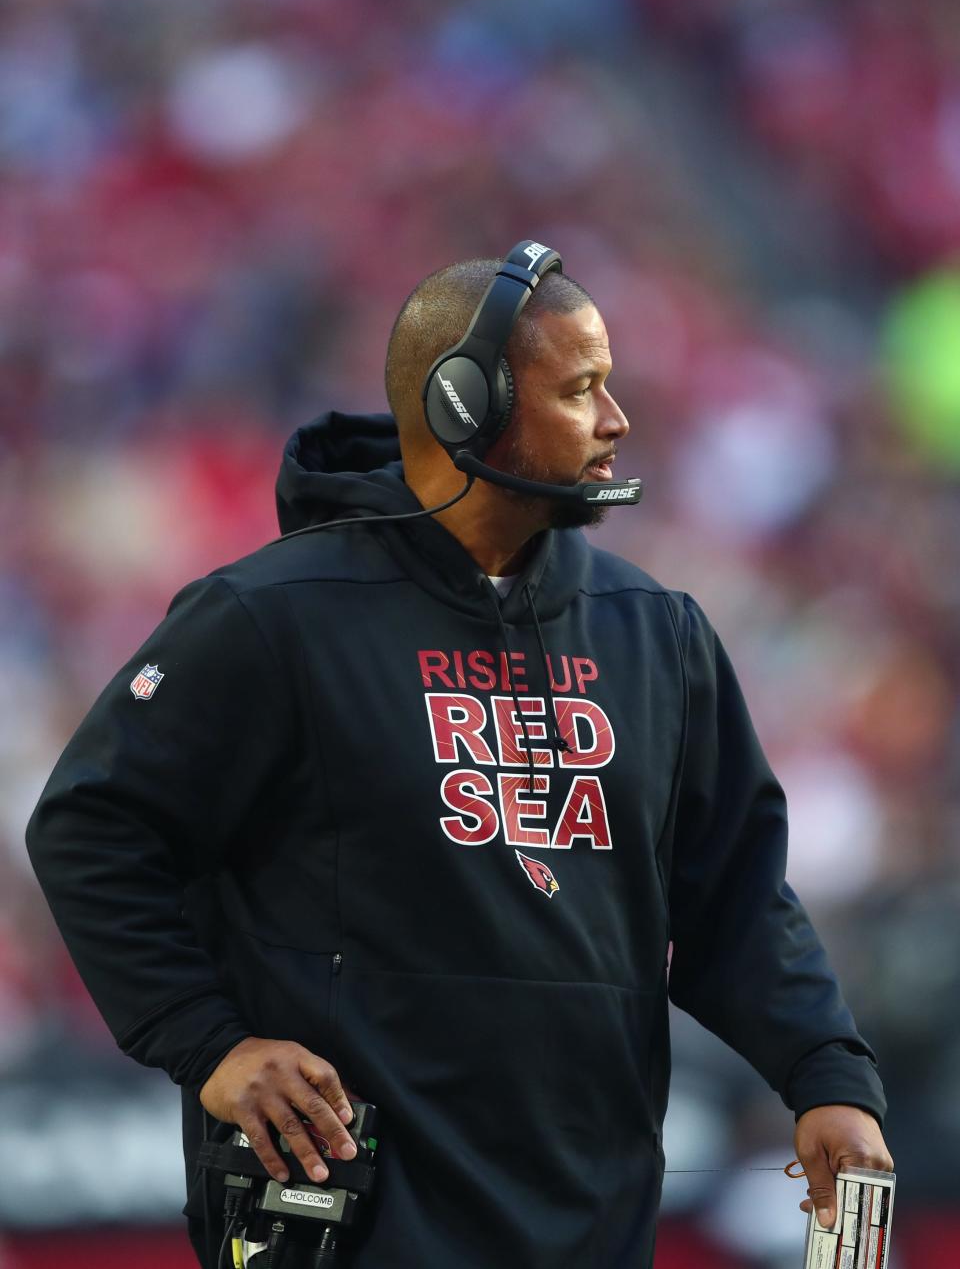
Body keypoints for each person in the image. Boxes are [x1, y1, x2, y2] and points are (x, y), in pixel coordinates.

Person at [27, 242, 892, 1268]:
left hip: (587, 1220)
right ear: (464, 403)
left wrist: (827, 1072)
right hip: (348, 1222)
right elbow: (90, 825)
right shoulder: (271, 617)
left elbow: (734, 896)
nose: (617, 421)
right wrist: (209, 1042)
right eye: (581, 390)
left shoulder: (656, 632)